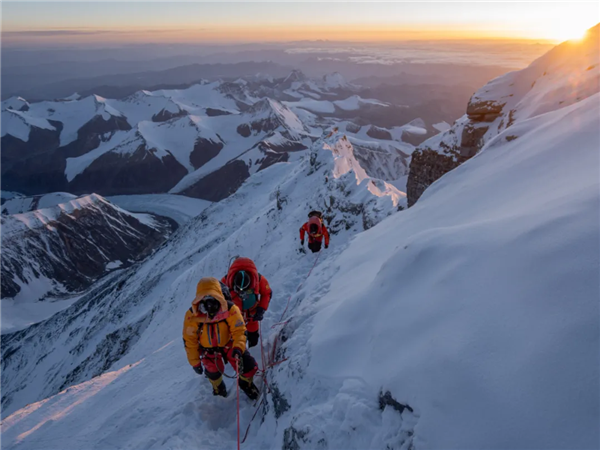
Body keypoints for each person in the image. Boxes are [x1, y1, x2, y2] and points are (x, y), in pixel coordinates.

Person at [183, 277, 260, 399]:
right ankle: (218, 388)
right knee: (213, 373)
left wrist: (238, 347)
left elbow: (239, 330)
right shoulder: (192, 315)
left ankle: (246, 383)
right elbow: (189, 340)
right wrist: (195, 362)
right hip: (208, 351)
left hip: (230, 345)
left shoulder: (230, 309)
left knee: (248, 366)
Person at [222, 257, 272, 348]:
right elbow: (218, 298)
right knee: (233, 344)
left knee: (253, 341)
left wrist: (261, 309)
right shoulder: (225, 282)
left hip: (252, 316)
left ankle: (253, 348)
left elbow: (267, 293)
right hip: (233, 318)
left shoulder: (258, 279)